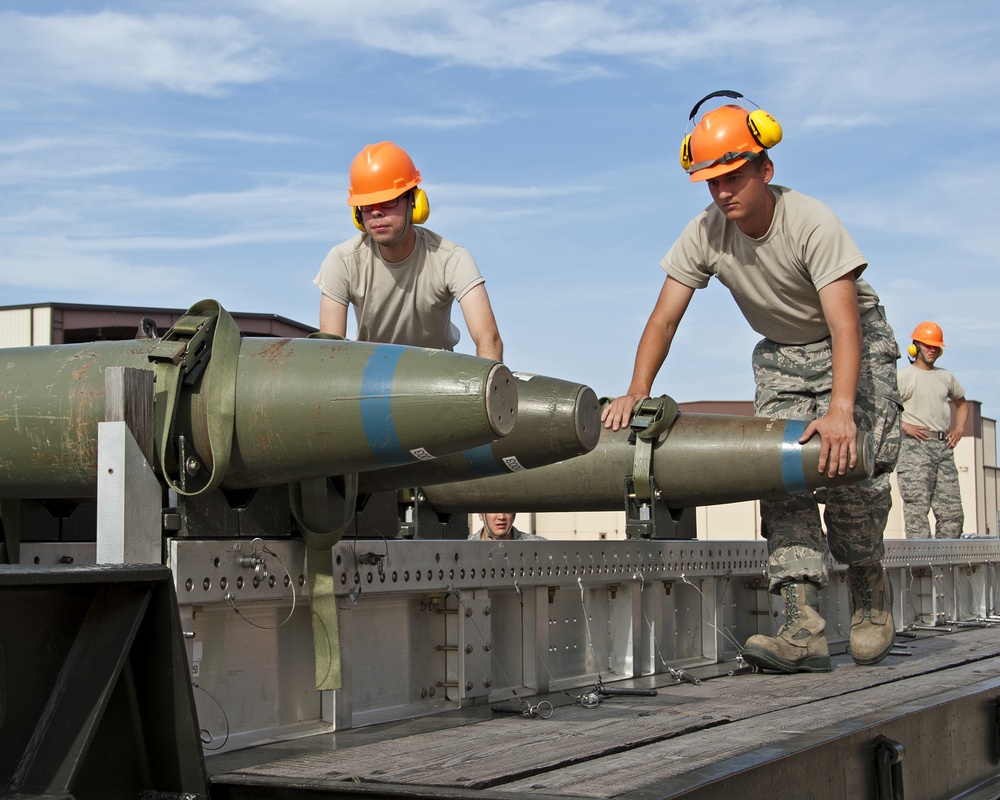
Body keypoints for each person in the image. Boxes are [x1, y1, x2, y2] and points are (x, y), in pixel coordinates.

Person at [602, 91, 902, 674]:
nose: (723, 191)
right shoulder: (706, 232)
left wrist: (841, 409)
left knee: (848, 473)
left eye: (734, 176)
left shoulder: (810, 221)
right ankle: (802, 626)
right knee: (780, 473)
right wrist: (636, 388)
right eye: (711, 181)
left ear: (766, 169)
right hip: (783, 354)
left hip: (851, 345)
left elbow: (843, 323)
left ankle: (869, 590)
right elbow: (665, 316)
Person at [314, 141, 503, 359]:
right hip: (370, 375)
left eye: (389, 200)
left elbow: (489, 339)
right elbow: (328, 354)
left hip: (436, 372)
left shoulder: (451, 258)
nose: (376, 213)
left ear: (414, 203)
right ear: (357, 214)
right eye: (367, 205)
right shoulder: (343, 260)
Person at [896, 322, 968, 539]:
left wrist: (959, 428)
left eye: (935, 347)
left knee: (952, 511)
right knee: (917, 508)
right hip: (915, 447)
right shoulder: (904, 377)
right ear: (914, 347)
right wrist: (905, 426)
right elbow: (886, 409)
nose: (932, 350)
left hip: (943, 447)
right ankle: (921, 567)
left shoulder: (945, 377)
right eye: (927, 346)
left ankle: (947, 563)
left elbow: (962, 403)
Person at [470, 512, 545, 541]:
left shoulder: (539, 546)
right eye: (494, 510)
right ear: (480, 514)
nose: (501, 517)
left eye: (507, 510)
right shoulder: (463, 548)